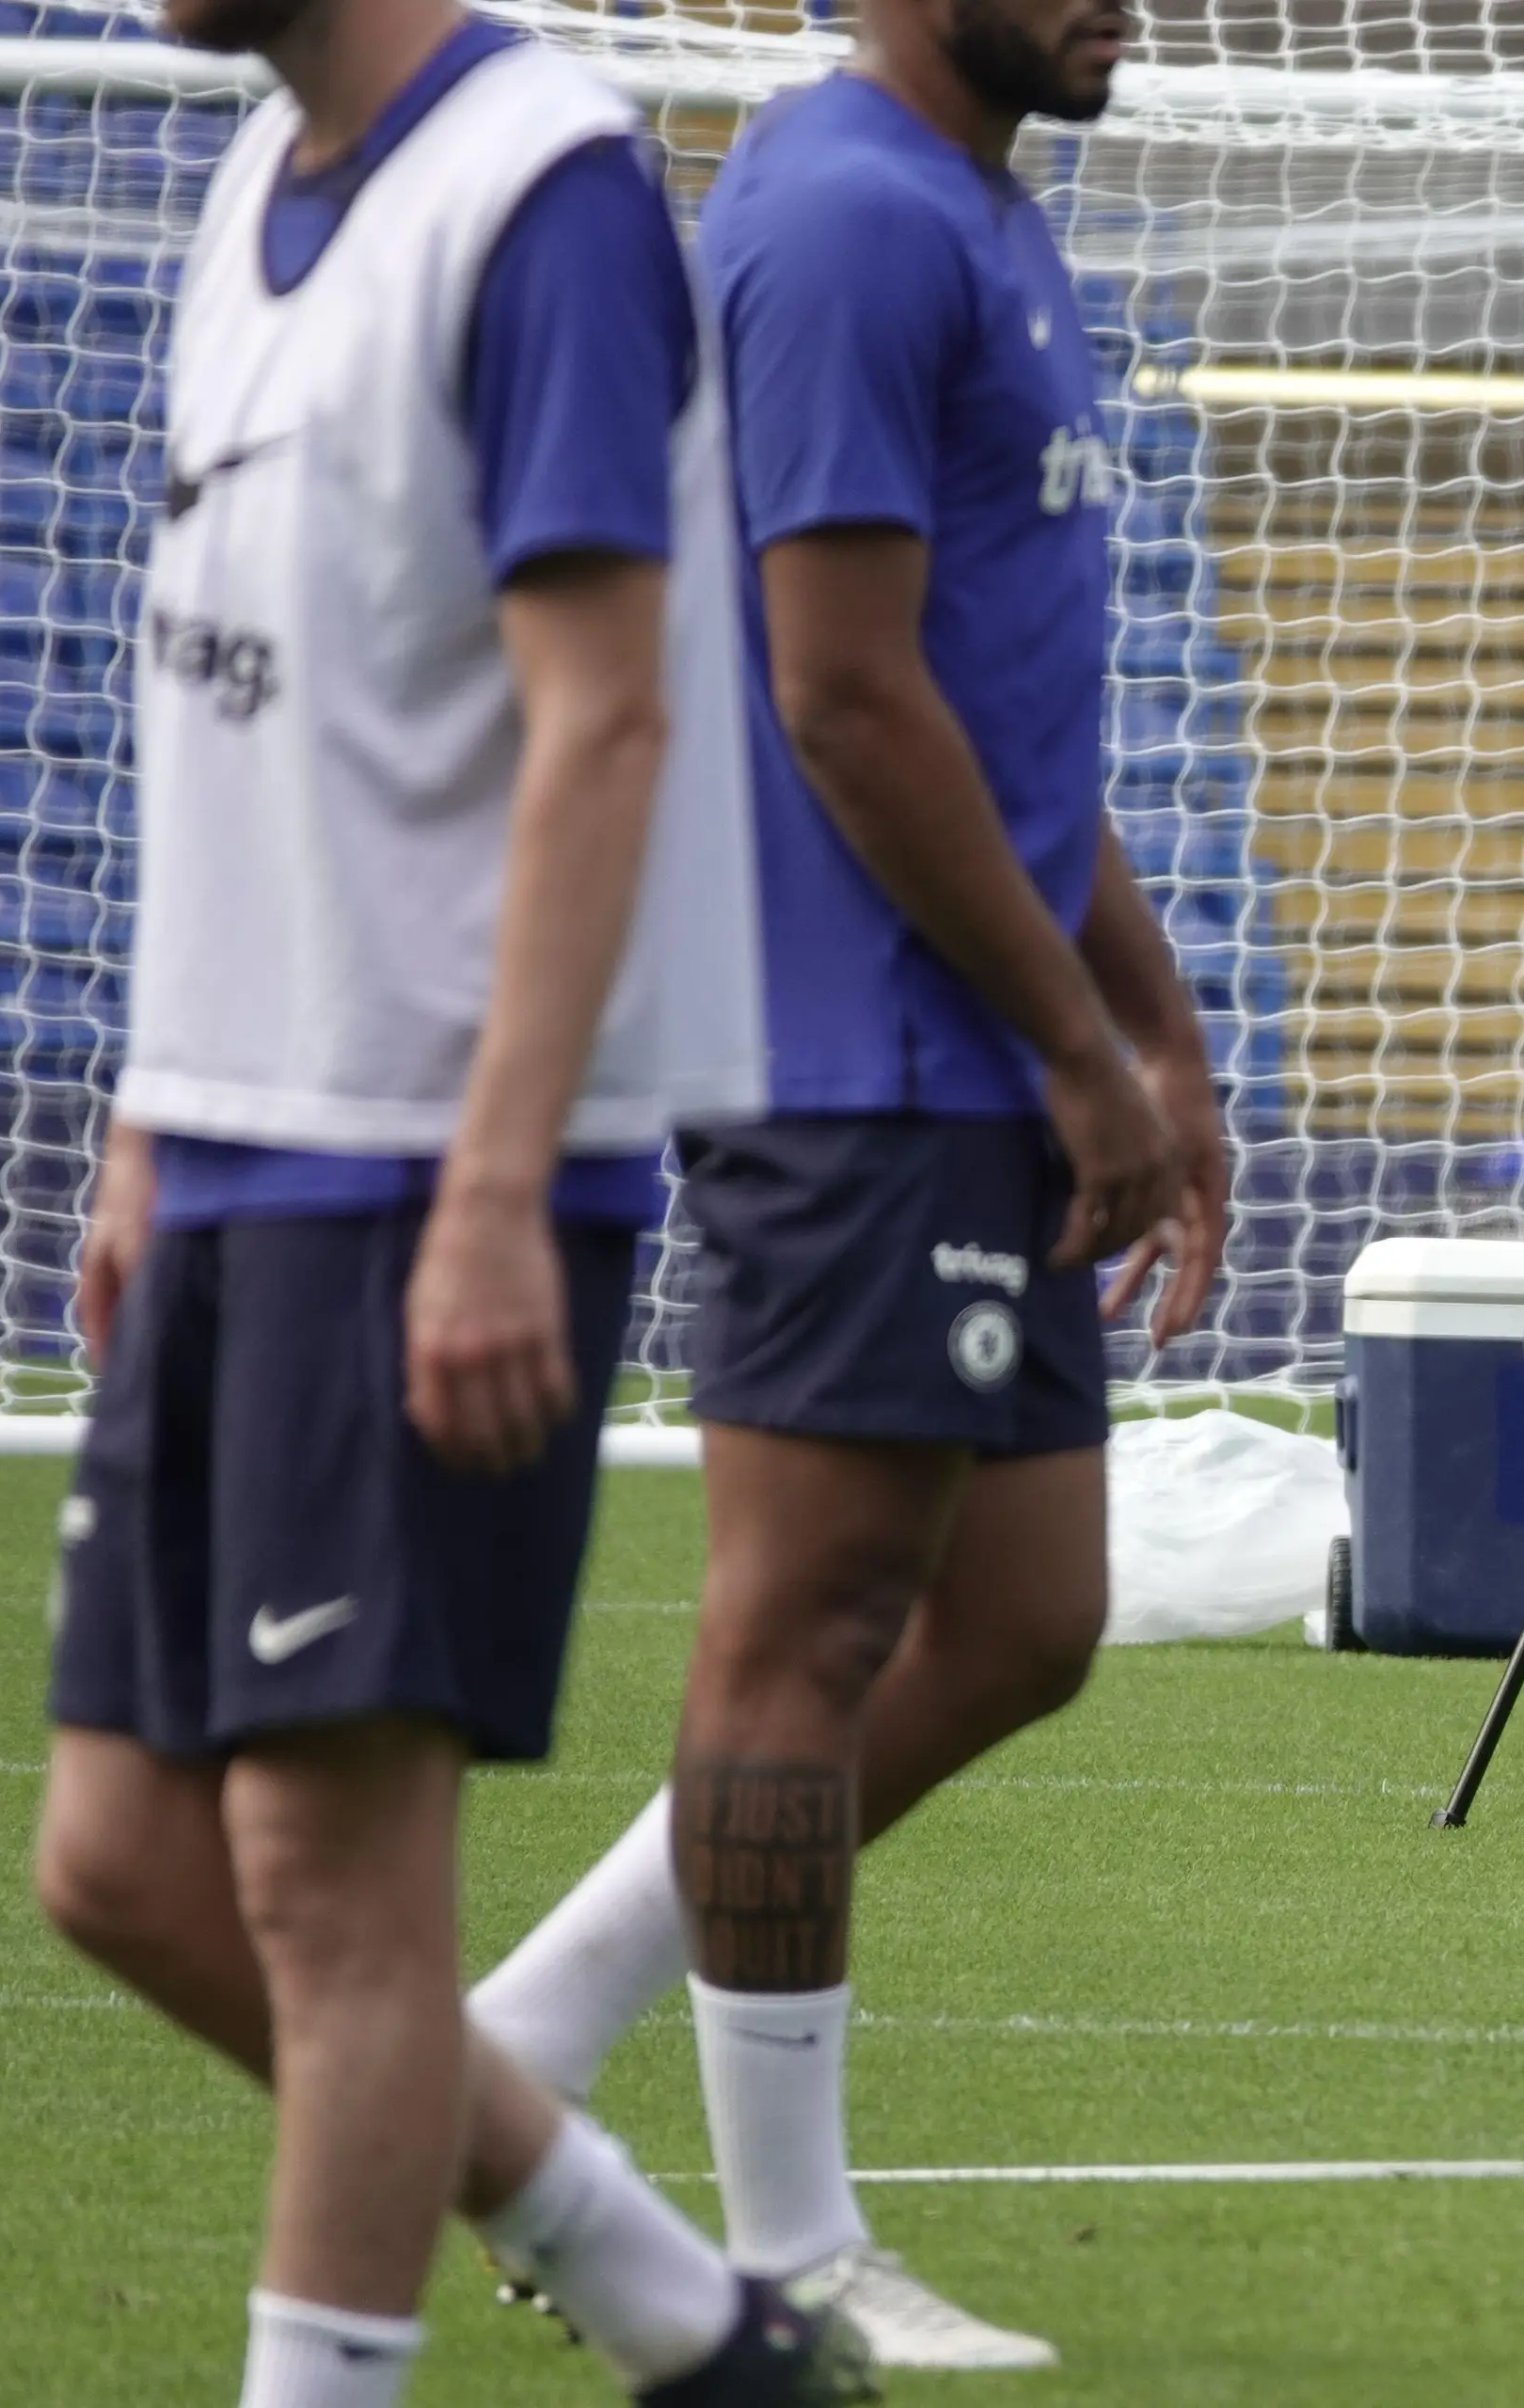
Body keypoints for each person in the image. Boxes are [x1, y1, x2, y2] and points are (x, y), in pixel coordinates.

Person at [25, 0, 870, 2400]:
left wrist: (500, 1186)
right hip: (237, 1148)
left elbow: (604, 713)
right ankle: (680, 2306)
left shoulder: (542, 190)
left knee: (327, 1886)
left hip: (426, 1159)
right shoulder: (252, 182)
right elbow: (241, 710)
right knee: (115, 1864)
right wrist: (144, 1121)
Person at [467, 0, 1230, 2371]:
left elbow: (992, 705)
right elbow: (844, 694)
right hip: (845, 1058)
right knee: (797, 1636)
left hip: (968, 1041)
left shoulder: (989, 207)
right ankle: (778, 2251)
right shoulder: (833, 216)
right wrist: (1060, 1041)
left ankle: (513, 2031)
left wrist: (1158, 1022)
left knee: (1019, 1617)